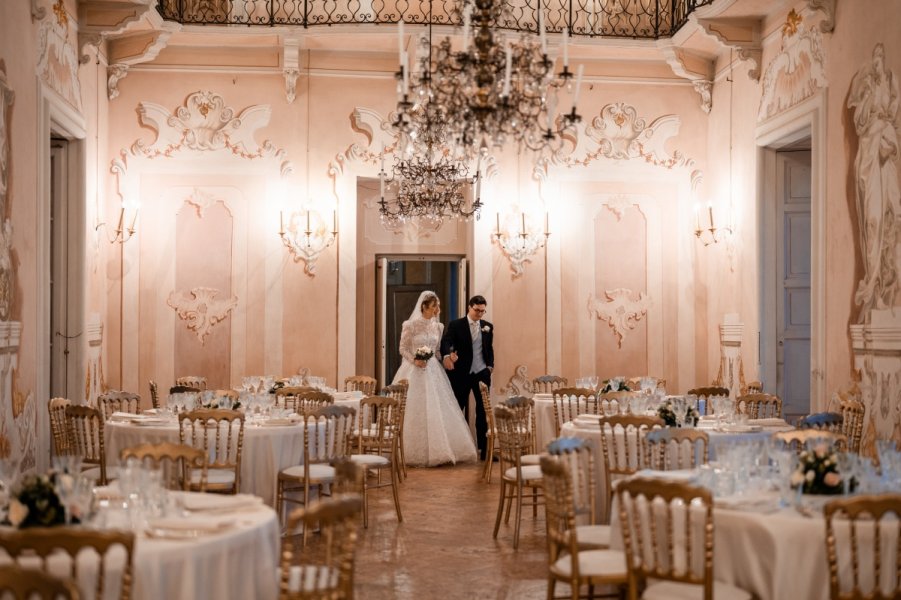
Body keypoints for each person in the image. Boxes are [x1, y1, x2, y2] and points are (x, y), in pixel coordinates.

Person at [392, 291, 477, 467]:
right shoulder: (410, 325)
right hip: (413, 371)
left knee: (437, 408)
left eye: (438, 306)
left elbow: (437, 351)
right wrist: (415, 360)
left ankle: (441, 449)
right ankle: (409, 451)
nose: (438, 310)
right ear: (424, 307)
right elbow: (402, 348)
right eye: (434, 307)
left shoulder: (438, 326)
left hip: (433, 371)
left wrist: (448, 356)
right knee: (414, 410)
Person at [848, 43, 900, 319]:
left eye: (881, 57)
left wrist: (889, 141)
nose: (878, 63)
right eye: (875, 58)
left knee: (892, 218)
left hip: (884, 157)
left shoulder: (891, 92)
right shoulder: (867, 101)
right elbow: (859, 121)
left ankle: (885, 289)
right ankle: (873, 286)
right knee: (873, 221)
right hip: (869, 159)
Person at [441, 295, 493, 461]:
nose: (479, 314)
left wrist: (490, 365)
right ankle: (456, 450)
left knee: (483, 412)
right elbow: (446, 342)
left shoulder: (487, 327)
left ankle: (485, 451)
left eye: (482, 311)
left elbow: (489, 348)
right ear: (469, 308)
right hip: (461, 374)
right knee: (457, 411)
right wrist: (448, 355)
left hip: (481, 373)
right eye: (477, 310)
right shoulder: (456, 325)